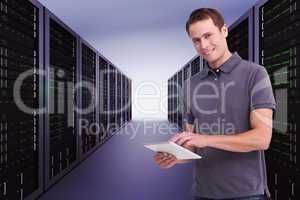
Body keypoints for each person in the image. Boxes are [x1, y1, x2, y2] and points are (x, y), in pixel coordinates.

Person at [154, 8, 276, 200]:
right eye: (196, 40)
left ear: (224, 31)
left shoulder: (255, 74)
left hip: (247, 193)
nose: (203, 45)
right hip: (203, 193)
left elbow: (262, 138)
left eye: (208, 35)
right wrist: (175, 157)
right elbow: (193, 145)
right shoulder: (190, 85)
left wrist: (206, 139)